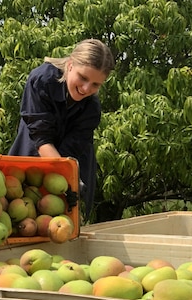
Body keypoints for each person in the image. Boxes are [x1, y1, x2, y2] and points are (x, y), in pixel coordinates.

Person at [8, 38, 115, 222]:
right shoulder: (42, 80)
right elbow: (41, 138)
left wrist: (72, 183)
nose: (86, 88)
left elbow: (72, 151)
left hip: (67, 169)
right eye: (83, 78)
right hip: (32, 158)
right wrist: (66, 178)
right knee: (24, 220)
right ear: (71, 65)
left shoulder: (91, 108)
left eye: (96, 84)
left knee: (65, 227)